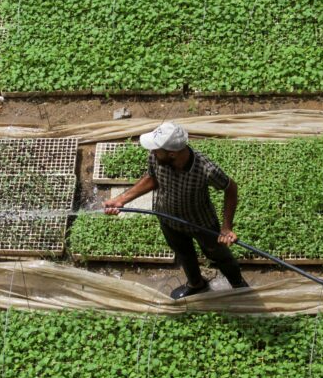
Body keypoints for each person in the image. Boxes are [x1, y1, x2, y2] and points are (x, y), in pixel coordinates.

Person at [103, 122, 248, 299]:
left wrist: (226, 227)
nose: (152, 152)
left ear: (172, 153)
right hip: (168, 217)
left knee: (218, 254)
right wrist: (121, 200)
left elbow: (231, 188)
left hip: (201, 222)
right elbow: (152, 178)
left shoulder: (205, 169)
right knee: (183, 253)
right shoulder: (156, 156)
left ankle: (239, 285)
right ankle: (196, 284)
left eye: (157, 150)